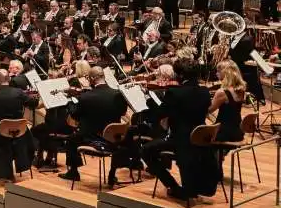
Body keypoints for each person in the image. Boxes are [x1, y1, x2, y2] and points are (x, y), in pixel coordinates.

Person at [141, 58, 221, 200]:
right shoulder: (204, 91)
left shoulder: (175, 93)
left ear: (181, 75)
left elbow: (158, 115)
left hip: (181, 141)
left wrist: (147, 99)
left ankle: (173, 186)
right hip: (200, 140)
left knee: (145, 150)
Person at [59, 66, 127, 186]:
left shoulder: (86, 97)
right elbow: (122, 113)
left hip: (92, 138)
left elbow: (75, 115)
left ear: (91, 79)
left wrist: (70, 102)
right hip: (114, 139)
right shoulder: (118, 95)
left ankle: (73, 172)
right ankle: (112, 175)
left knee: (71, 140)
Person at [0, 69, 37, 180]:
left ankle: (2, 170)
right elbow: (33, 104)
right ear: (9, 79)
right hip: (19, 134)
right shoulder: (19, 92)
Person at [209, 60, 246, 142]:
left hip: (224, 132)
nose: (216, 73)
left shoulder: (222, 92)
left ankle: (214, 154)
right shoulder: (241, 90)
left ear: (226, 73)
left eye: (218, 71)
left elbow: (209, 110)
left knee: (198, 136)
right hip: (238, 131)